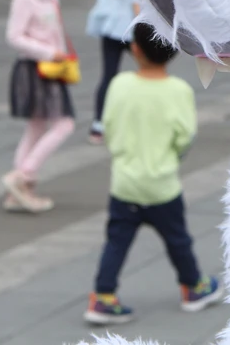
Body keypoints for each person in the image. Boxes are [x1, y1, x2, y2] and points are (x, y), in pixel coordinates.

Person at [84, 21, 222, 326]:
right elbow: (184, 136)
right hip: (162, 185)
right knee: (178, 239)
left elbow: (108, 125)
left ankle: (103, 297)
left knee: (116, 242)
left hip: (125, 183)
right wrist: (172, 155)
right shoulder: (179, 91)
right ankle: (193, 287)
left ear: (134, 48)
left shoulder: (119, 84)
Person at [2, 0, 77, 213]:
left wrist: (59, 54)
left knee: (36, 127)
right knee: (64, 124)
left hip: (51, 69)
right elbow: (14, 36)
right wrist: (49, 52)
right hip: (35, 69)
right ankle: (23, 177)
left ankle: (18, 194)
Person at [86, 0, 141, 144]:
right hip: (129, 27)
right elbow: (135, 2)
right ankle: (137, 120)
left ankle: (98, 124)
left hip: (109, 26)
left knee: (108, 74)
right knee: (150, 73)